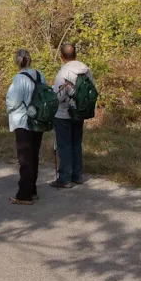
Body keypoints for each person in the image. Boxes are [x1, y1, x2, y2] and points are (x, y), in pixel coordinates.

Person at [6, 49, 47, 205]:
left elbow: (13, 102)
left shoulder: (19, 79)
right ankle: (32, 189)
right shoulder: (39, 75)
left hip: (23, 121)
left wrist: (8, 106)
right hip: (38, 120)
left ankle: (24, 195)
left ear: (17, 61)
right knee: (34, 156)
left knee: (24, 159)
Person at [52, 43, 92, 188]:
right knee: (76, 143)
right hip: (79, 112)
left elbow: (59, 96)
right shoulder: (86, 70)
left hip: (63, 113)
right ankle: (77, 175)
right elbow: (92, 89)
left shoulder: (63, 72)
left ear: (62, 56)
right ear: (75, 55)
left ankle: (65, 179)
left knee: (64, 146)